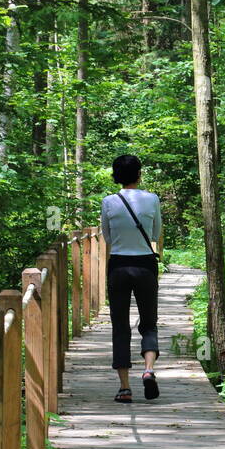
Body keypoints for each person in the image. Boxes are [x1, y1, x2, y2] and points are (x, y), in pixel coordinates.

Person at [100, 154, 163, 402]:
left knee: (120, 325)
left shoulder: (108, 201)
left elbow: (107, 237)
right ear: (139, 174)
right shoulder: (152, 199)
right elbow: (156, 232)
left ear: (116, 175)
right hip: (146, 264)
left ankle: (124, 388)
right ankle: (148, 370)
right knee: (149, 322)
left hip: (118, 265)